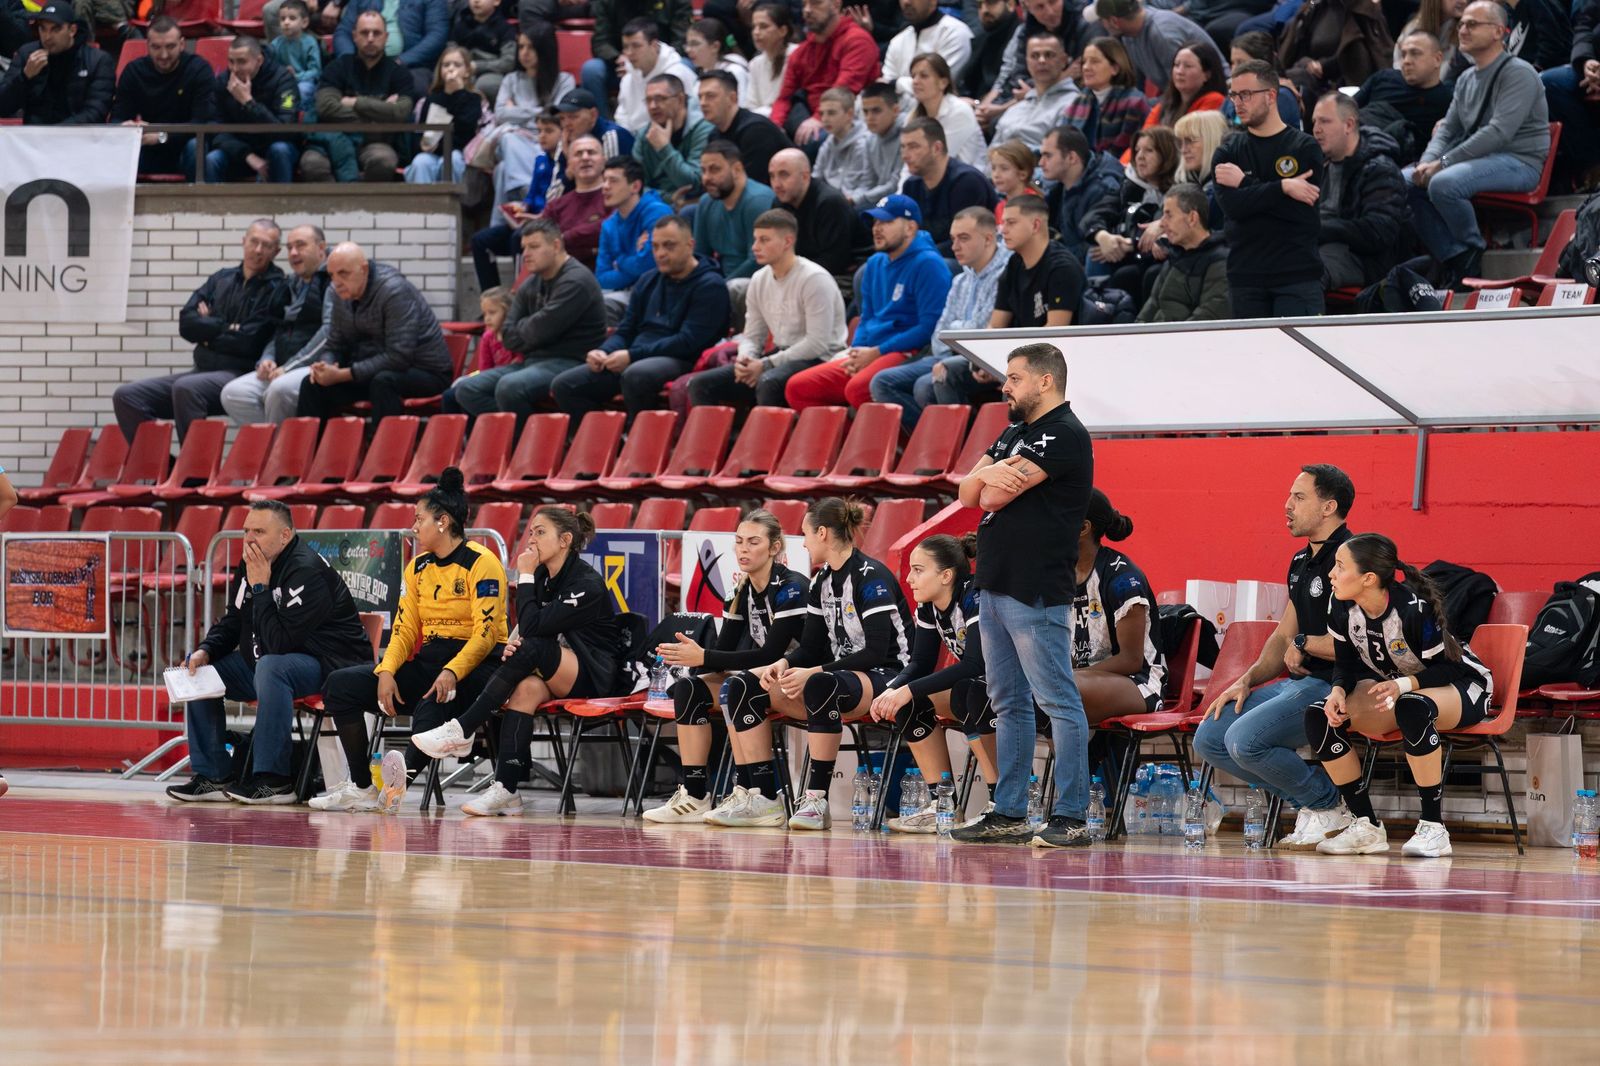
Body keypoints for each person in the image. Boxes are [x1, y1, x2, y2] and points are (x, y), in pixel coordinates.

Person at [952, 342, 1095, 849]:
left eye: (1014, 378)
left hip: (1035, 587)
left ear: (1045, 381)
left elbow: (989, 495)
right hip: (995, 582)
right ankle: (1010, 812)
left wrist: (984, 478)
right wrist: (982, 477)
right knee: (1008, 702)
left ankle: (1072, 816)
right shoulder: (1015, 432)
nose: (1005, 387)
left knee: (1057, 700)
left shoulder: (1064, 433)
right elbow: (964, 493)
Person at [313, 471, 510, 812]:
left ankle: (395, 787)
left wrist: (452, 671)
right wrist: (386, 671)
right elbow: (404, 630)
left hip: (478, 664)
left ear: (443, 522)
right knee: (340, 685)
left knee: (433, 700)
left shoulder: (483, 563)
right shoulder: (416, 567)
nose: (414, 527)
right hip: (431, 659)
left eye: (419, 519)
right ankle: (361, 786)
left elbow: (486, 634)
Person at [412, 507, 624, 817]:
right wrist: (516, 645)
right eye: (531, 532)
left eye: (541, 532)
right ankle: (507, 789)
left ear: (565, 540)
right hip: (557, 667)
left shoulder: (586, 583)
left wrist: (524, 576)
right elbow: (528, 627)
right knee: (525, 690)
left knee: (534, 648)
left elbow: (534, 628)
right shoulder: (542, 575)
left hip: (596, 674)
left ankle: (463, 728)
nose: (531, 539)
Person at [1194, 464, 1357, 852]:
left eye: (1299, 497)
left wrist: (1303, 642)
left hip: (1340, 685)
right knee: (1210, 738)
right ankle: (1311, 805)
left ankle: (1330, 806)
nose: (1287, 505)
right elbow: (1284, 634)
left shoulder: (1353, 559)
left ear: (1329, 507)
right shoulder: (1301, 562)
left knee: (1243, 741)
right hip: (1299, 683)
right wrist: (1246, 680)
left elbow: (1358, 641)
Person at [167, 500, 373, 805]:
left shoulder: (307, 571)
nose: (249, 539)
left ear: (285, 535)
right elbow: (234, 619)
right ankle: (213, 774)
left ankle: (274, 780)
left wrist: (261, 587)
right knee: (200, 673)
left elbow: (279, 644)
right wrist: (206, 650)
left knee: (271, 667)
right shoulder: (251, 563)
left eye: (259, 532)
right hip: (272, 661)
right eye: (246, 531)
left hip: (329, 665)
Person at [1307, 533, 1495, 858]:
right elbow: (1346, 664)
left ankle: (1434, 828)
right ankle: (1365, 826)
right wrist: (1338, 690)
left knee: (1412, 706)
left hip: (1466, 685)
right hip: (1405, 689)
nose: (1331, 574)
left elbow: (1448, 669)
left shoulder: (1413, 610)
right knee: (1318, 715)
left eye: (1340, 566)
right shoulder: (1341, 606)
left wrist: (1402, 685)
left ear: (1368, 578)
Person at [644, 510, 810, 824]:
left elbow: (771, 653)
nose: (743, 549)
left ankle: (763, 796)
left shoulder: (792, 586)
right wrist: (696, 661)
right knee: (689, 689)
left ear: (774, 548)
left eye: (753, 542)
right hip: (765, 676)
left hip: (803, 674)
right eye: (739, 541)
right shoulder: (739, 591)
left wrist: (704, 657)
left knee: (738, 687)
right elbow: (725, 651)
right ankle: (694, 795)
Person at [759, 498, 913, 831]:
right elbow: (811, 648)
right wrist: (783, 663)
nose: (803, 543)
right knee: (748, 686)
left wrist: (814, 672)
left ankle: (816, 800)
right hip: (844, 676)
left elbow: (875, 653)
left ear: (823, 533)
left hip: (892, 675)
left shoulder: (870, 577)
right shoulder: (821, 581)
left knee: (820, 684)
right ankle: (756, 797)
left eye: (805, 534)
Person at [1407, 1, 1550, 288]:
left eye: (1472, 24)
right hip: (1479, 160)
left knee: (1444, 183)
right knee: (1406, 180)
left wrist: (1443, 163)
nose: (1463, 29)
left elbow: (1498, 133)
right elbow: (1448, 129)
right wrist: (1425, 162)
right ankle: (1454, 255)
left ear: (1498, 31)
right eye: (1461, 24)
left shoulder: (1519, 73)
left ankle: (1472, 250)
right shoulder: (1466, 78)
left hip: (1519, 162)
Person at [870, 534, 1001, 832]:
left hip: (1013, 685)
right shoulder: (928, 606)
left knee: (969, 692)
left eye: (918, 570)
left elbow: (976, 663)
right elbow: (921, 663)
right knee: (911, 704)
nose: (909, 578)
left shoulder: (974, 596)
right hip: (980, 686)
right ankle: (942, 804)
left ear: (946, 576)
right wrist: (892, 690)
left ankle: (1000, 803)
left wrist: (906, 689)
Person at [113, 221, 286, 444]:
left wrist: (207, 330)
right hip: (202, 370)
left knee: (187, 388)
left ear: (276, 252)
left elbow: (249, 342)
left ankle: (194, 466)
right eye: (254, 242)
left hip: (241, 373)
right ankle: (164, 463)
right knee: (127, 396)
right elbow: (187, 323)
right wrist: (227, 327)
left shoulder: (278, 288)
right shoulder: (221, 278)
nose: (258, 250)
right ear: (244, 241)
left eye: (266, 245)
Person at [553, 215, 730, 418]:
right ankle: (605, 436)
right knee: (565, 385)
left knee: (636, 375)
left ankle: (643, 435)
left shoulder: (710, 286)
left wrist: (632, 356)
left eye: (669, 246)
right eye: (655, 247)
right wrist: (604, 351)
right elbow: (626, 330)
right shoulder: (647, 280)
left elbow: (688, 342)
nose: (660, 253)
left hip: (682, 358)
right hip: (636, 357)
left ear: (690, 245)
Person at [785, 194, 952, 409]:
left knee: (858, 388)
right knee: (798, 388)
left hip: (908, 351)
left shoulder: (929, 264)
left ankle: (900, 432)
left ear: (910, 228)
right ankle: (847, 431)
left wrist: (877, 352)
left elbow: (928, 327)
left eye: (886, 222)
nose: (876, 228)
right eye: (875, 222)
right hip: (872, 351)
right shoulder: (874, 264)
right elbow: (867, 317)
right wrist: (857, 351)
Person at [686, 209, 848, 407]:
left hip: (821, 358)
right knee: (700, 384)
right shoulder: (758, 279)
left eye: (764, 240)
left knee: (769, 382)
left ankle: (774, 429)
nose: (755, 247)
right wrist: (745, 360)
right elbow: (753, 336)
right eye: (755, 239)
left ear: (787, 242)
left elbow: (817, 344)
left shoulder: (814, 279)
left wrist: (765, 364)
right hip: (782, 355)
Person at [871, 207, 1010, 432]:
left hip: (981, 359)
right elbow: (939, 336)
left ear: (988, 238)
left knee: (926, 385)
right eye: (953, 239)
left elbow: (981, 335)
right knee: (882, 382)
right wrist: (957, 334)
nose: (955, 247)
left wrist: (955, 332)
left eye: (963, 238)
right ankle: (931, 444)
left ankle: (965, 446)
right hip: (946, 354)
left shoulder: (1006, 274)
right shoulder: (960, 280)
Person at [455, 218, 609, 420]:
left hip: (572, 362)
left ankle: (527, 437)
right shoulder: (530, 283)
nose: (526, 254)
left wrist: (528, 329)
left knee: (509, 387)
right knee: (466, 388)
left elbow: (541, 330)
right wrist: (532, 329)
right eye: (524, 247)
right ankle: (528, 430)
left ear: (556, 245)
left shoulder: (576, 281)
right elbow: (508, 335)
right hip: (532, 361)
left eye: (534, 247)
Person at [1214, 60, 1328, 318]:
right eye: (1234, 95)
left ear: (1271, 96)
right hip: (1245, 277)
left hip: (1296, 275)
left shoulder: (1304, 147)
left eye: (1246, 94)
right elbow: (1233, 208)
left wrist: (1245, 185)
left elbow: (1300, 213)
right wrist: (1283, 188)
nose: (1238, 103)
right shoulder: (1228, 152)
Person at [295, 243, 453, 421]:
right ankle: (313, 440)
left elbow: (399, 357)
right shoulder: (338, 292)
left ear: (363, 269)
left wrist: (344, 375)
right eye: (332, 275)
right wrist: (327, 366)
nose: (336, 282)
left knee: (383, 381)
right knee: (312, 384)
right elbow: (334, 344)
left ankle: (385, 440)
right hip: (370, 371)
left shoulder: (394, 291)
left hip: (425, 372)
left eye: (343, 273)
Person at [1068, 490, 1167, 726]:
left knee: (1059, 688)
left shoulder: (1122, 578)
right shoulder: (1059, 574)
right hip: (1084, 679)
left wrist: (1067, 675)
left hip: (1138, 682)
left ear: (1083, 528)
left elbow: (1130, 660)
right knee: (1014, 686)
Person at [221, 226, 333, 425]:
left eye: (300, 245)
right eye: (289, 248)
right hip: (285, 366)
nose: (293, 253)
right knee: (233, 393)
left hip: (319, 364)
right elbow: (279, 329)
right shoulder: (290, 285)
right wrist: (267, 359)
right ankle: (278, 442)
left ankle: (282, 444)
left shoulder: (333, 280)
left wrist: (289, 367)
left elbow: (329, 332)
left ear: (321, 248)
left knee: (278, 389)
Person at [475, 130, 610, 290]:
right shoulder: (556, 206)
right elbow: (537, 244)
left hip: (603, 283)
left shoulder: (615, 197)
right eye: (578, 154)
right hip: (557, 284)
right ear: (569, 164)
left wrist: (564, 238)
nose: (585, 157)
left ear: (604, 160)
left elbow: (607, 228)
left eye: (591, 152)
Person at [302, 11, 416, 183]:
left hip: (375, 144)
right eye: (364, 33)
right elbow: (325, 106)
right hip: (333, 139)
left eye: (376, 33)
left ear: (386, 37)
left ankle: (365, 201)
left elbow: (401, 111)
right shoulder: (338, 67)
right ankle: (338, 200)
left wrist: (355, 102)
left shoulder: (399, 74)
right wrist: (379, 113)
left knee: (384, 160)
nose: (370, 38)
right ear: (354, 36)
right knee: (312, 163)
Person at [1311, 92, 1409, 290]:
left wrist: (1320, 229)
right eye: (1314, 122)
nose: (1316, 130)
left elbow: (1379, 231)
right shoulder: (1316, 164)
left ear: (1348, 125)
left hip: (1362, 258)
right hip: (1318, 245)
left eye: (1325, 121)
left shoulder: (1379, 169)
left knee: (1304, 272)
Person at [111, 16, 216, 178]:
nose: (164, 55)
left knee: (196, 146)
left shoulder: (198, 69)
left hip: (184, 147)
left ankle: (198, 195)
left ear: (182, 44)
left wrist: (162, 136)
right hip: (148, 148)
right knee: (117, 148)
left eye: (170, 46)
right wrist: (127, 127)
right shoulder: (134, 71)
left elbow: (202, 124)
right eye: (156, 47)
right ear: (147, 45)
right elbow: (118, 117)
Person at [1083, 125, 1179, 296]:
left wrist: (1130, 245)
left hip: (1157, 257)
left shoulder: (1180, 188)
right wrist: (1103, 236)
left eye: (1149, 150)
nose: (1140, 156)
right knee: (1095, 251)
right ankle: (1098, 305)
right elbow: (1096, 214)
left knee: (1128, 275)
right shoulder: (1128, 185)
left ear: (1166, 154)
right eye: (1137, 150)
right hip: (1129, 253)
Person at [485, 34, 578, 208]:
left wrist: (516, 110)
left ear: (545, 49)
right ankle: (526, 190)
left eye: (531, 47)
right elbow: (501, 114)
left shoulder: (565, 80)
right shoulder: (510, 80)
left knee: (502, 170)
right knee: (509, 137)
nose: (525, 53)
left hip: (549, 144)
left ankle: (514, 214)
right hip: (519, 141)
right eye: (521, 47)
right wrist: (540, 110)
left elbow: (557, 115)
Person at [771, 0, 881, 142]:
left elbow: (844, 90)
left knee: (812, 140)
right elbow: (784, 98)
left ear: (836, 5)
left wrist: (819, 117)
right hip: (810, 116)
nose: (807, 10)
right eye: (804, 4)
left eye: (815, 3)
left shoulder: (857, 40)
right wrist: (774, 127)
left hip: (849, 118)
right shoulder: (800, 52)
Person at [980, 0, 1094, 131]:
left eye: (1053, 2)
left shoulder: (1083, 24)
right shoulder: (1026, 30)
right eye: (1040, 7)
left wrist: (1038, 89)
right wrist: (1062, 77)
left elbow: (1083, 76)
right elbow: (1019, 79)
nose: (1050, 11)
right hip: (1025, 101)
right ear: (1027, 7)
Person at [207, 35, 302, 184]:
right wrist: (247, 155)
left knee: (280, 149)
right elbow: (214, 128)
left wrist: (249, 103)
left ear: (259, 60)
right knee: (213, 159)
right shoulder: (223, 81)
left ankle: (281, 199)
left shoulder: (283, 80)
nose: (234, 69)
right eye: (231, 61)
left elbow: (286, 131)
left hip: (275, 148)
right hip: (241, 151)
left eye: (242, 62)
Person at [0, 3, 115, 126]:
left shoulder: (98, 61)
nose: (47, 36)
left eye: (55, 29)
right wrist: (24, 77)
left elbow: (96, 113)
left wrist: (54, 132)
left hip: (80, 135)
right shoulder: (27, 54)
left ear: (72, 30)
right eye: (43, 29)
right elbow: (3, 107)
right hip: (34, 135)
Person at [580, 0, 693, 121]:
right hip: (619, 64)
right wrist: (618, 58)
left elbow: (682, 39)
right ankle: (604, 125)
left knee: (684, 65)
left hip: (663, 60)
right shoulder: (607, 2)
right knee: (591, 70)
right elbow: (600, 41)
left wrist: (655, 58)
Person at [596, 154, 676, 322]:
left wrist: (619, 261)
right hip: (623, 292)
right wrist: (635, 257)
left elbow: (650, 266)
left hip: (661, 290)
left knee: (603, 305)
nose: (605, 187)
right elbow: (602, 278)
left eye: (613, 181)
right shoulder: (608, 225)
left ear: (635, 186)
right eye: (604, 180)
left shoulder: (657, 212)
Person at [899, 117, 1000, 248]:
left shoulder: (966, 182)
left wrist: (916, 255)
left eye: (913, 147)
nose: (905, 155)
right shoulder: (911, 186)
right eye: (903, 147)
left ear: (937, 148)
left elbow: (965, 243)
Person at [1136, 183, 1231, 321]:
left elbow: (1208, 317)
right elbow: (1151, 307)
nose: (1161, 224)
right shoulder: (1174, 257)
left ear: (1192, 218)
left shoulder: (1220, 262)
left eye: (1169, 215)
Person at [1357, 29, 1451, 167]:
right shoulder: (1384, 78)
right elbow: (1348, 109)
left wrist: (1438, 164)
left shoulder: (1447, 100)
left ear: (1437, 59)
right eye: (1403, 55)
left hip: (1393, 161)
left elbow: (1450, 150)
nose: (1406, 61)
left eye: (1415, 53)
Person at [1094, 0, 1226, 94]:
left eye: (1101, 20)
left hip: (1210, 94)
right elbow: (1137, 85)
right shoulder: (1128, 35)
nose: (1100, 25)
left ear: (1114, 21)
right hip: (1180, 95)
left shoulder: (1161, 34)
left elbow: (1183, 86)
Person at [768, 147, 864, 274]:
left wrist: (789, 273)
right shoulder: (780, 203)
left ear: (805, 176)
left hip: (841, 275)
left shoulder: (830, 203)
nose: (776, 184)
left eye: (784, 175)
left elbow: (834, 261)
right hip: (801, 272)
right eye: (772, 176)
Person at [994, 194, 1084, 329]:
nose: (1003, 231)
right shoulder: (1015, 263)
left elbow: (1055, 332)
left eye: (1011, 223)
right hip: (1026, 342)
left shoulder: (1062, 268)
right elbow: (995, 327)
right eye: (1003, 223)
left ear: (1035, 225)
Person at [693, 138, 776, 280]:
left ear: (737, 169)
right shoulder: (706, 202)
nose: (706, 178)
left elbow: (758, 261)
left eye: (714, 169)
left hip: (756, 280)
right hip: (719, 279)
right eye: (703, 171)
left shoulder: (757, 201)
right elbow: (700, 254)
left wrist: (721, 286)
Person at [403, 46, 487, 184]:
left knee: (451, 159)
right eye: (446, 65)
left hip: (459, 152)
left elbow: (465, 132)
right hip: (432, 153)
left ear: (467, 72)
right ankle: (423, 199)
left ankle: (451, 198)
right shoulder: (431, 99)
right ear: (440, 70)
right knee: (420, 162)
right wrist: (423, 144)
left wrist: (459, 92)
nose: (451, 69)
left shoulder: (473, 99)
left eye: (457, 65)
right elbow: (421, 132)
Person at [1042, 124, 1126, 263]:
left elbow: (1092, 251)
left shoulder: (1102, 189)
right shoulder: (1057, 185)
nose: (1041, 162)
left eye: (1048, 156)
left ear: (1071, 158)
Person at [696, 68, 792, 186]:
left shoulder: (756, 130)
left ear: (732, 98)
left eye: (710, 96)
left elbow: (752, 186)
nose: (703, 103)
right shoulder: (714, 135)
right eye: (700, 97)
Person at [332, 0, 449, 97]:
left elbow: (437, 35)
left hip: (411, 65)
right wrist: (350, 60)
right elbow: (343, 33)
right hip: (362, 62)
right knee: (334, 82)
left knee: (414, 87)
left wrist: (401, 61)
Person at [1277, 0, 1395, 95]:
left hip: (1347, 82)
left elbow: (1359, 55)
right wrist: (1306, 62)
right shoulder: (1314, 7)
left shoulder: (1362, 9)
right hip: (1310, 76)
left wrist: (1324, 66)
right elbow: (1299, 47)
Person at [1061, 37, 1151, 160]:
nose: (1086, 67)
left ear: (1115, 68)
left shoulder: (1134, 103)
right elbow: (1063, 145)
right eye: (1084, 62)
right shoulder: (1077, 102)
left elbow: (1127, 153)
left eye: (1094, 62)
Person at [994, 31, 1082, 152]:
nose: (1041, 60)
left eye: (1049, 55)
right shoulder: (1016, 108)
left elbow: (1060, 155)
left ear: (1064, 60)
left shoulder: (1073, 104)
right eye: (1034, 56)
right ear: (1027, 62)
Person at [1544, 4, 1600, 189]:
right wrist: (1586, 60)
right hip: (1593, 65)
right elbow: (1584, 25)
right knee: (1548, 83)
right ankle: (1592, 163)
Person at [631, 73, 712, 200]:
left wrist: (664, 148)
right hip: (656, 203)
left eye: (660, 99)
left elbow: (693, 184)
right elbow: (634, 185)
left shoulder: (704, 130)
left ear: (680, 100)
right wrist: (668, 198)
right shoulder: (644, 134)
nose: (653, 106)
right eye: (648, 100)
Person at [906, 53, 988, 175]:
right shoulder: (913, 115)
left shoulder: (960, 112)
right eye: (913, 76)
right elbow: (909, 164)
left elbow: (937, 161)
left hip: (966, 180)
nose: (915, 81)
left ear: (943, 83)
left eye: (924, 76)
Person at [615, 17, 700, 133]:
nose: (629, 53)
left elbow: (694, 116)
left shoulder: (679, 73)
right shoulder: (627, 79)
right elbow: (622, 117)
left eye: (636, 46)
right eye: (625, 47)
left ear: (654, 45)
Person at [882, 0, 974, 105]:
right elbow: (887, 88)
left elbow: (936, 85)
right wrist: (894, 84)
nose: (906, 2)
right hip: (899, 111)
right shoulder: (898, 40)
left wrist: (897, 83)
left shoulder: (955, 33)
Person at [443, 286, 516, 414]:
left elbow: (518, 364)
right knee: (450, 396)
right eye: (484, 314)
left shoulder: (516, 335)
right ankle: (461, 427)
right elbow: (484, 369)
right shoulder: (487, 337)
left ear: (507, 313)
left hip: (508, 382)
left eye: (492, 313)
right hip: (490, 379)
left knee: (470, 396)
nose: (487, 318)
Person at [1142, 42, 1226, 136]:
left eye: (1188, 66)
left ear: (1207, 75)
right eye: (1176, 65)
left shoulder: (1214, 100)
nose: (1179, 71)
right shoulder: (1164, 104)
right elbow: (1145, 137)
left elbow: (1187, 137)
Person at [815, 87, 875, 202]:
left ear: (849, 114)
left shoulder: (863, 144)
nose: (824, 119)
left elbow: (860, 186)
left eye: (831, 113)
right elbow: (817, 176)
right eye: (822, 113)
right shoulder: (828, 142)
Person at [853, 82, 907, 208]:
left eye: (876, 111)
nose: (869, 117)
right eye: (865, 112)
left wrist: (858, 199)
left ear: (895, 110)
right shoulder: (869, 139)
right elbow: (867, 182)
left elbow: (896, 184)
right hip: (877, 200)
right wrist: (853, 198)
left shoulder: (907, 134)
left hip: (901, 199)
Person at [450, 0, 516, 100]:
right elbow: (450, 53)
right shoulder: (460, 26)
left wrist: (477, 66)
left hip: (493, 72)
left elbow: (508, 62)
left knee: (486, 85)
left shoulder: (505, 28)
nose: (476, 1)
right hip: (463, 69)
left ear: (496, 1)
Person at [746, 1, 798, 120]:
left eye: (763, 26)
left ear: (782, 31)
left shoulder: (796, 55)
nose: (756, 32)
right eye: (754, 27)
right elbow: (751, 105)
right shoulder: (755, 64)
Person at [960, 0, 1021, 102]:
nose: (984, 10)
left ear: (1010, 4)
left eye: (991, 2)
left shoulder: (1021, 39)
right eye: (979, 5)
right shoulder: (981, 39)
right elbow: (966, 84)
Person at [269, 0, 322, 105]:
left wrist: (296, 76)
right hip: (282, 80)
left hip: (304, 81)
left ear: (304, 22)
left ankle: (295, 113)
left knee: (301, 91)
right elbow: (271, 66)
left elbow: (316, 71)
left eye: (292, 18)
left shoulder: (310, 43)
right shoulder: (276, 43)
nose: (286, 22)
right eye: (282, 19)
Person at [685, 15, 749, 98]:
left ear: (715, 46)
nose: (688, 50)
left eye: (695, 44)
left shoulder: (735, 71)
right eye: (687, 44)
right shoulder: (702, 73)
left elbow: (741, 103)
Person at [989, 140, 1045, 218]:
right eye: (993, 168)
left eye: (1004, 168)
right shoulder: (1000, 206)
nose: (996, 174)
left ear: (1023, 174)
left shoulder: (1033, 204)